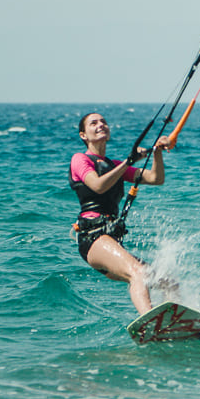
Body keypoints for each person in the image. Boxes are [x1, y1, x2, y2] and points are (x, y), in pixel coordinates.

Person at [69, 112, 171, 314]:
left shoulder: (115, 165)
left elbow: (155, 178)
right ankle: (150, 321)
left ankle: (178, 319)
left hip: (111, 240)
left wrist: (157, 151)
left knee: (166, 281)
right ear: (83, 135)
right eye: (94, 123)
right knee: (139, 273)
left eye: (104, 122)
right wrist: (128, 161)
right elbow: (97, 185)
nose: (101, 125)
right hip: (93, 237)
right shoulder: (80, 159)